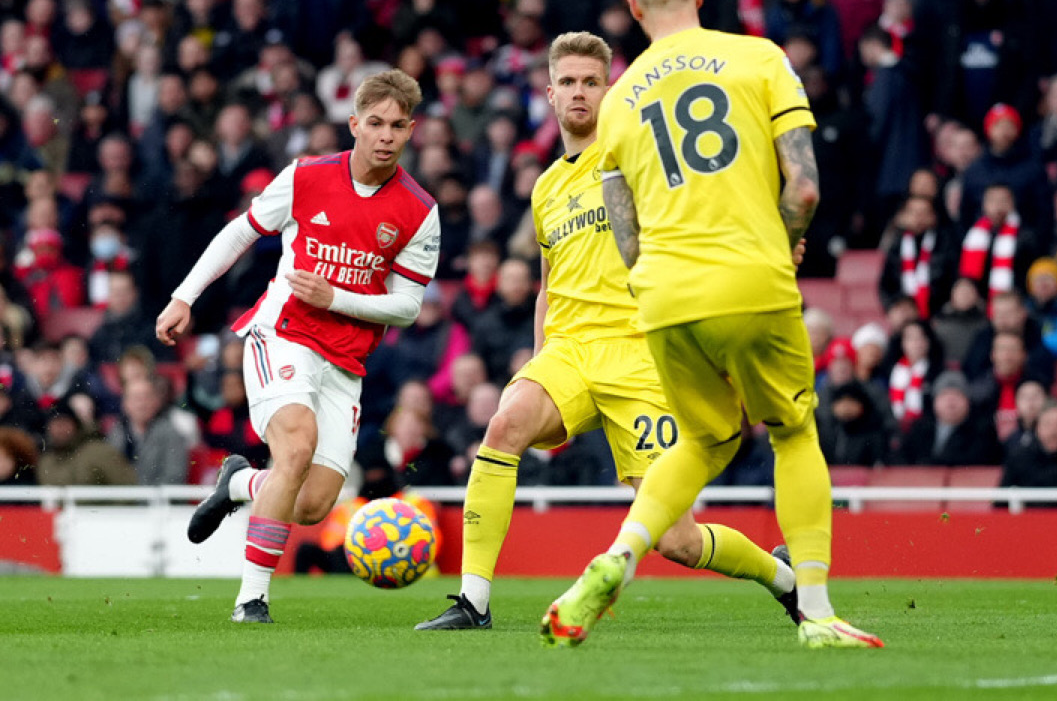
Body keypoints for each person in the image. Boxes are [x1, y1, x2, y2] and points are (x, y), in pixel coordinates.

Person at [542, 0, 881, 650]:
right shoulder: (759, 58)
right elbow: (807, 185)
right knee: (792, 431)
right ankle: (816, 612)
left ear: (633, 6)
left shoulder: (621, 99)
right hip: (751, 275)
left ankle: (617, 557)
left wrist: (659, 277)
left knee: (701, 437)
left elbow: (623, 232)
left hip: (662, 294)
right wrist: (786, 239)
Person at [418, 33, 798, 633]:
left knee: (676, 538)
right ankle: (473, 602)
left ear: (610, 90)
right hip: (568, 352)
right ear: (548, 93)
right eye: (567, 82)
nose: (578, 92)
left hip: (642, 359)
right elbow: (547, 283)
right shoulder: (545, 187)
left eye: (590, 82)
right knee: (505, 422)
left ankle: (784, 578)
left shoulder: (640, 158)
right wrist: (539, 362)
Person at [155, 70, 440, 624]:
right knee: (296, 446)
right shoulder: (307, 176)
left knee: (311, 505)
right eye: (375, 123)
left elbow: (406, 307)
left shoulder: (418, 210)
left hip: (344, 361)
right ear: (354, 124)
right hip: (281, 334)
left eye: (397, 126)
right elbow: (241, 231)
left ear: (411, 131)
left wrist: (337, 297)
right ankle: (251, 600)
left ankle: (238, 482)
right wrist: (184, 297)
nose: (385, 135)